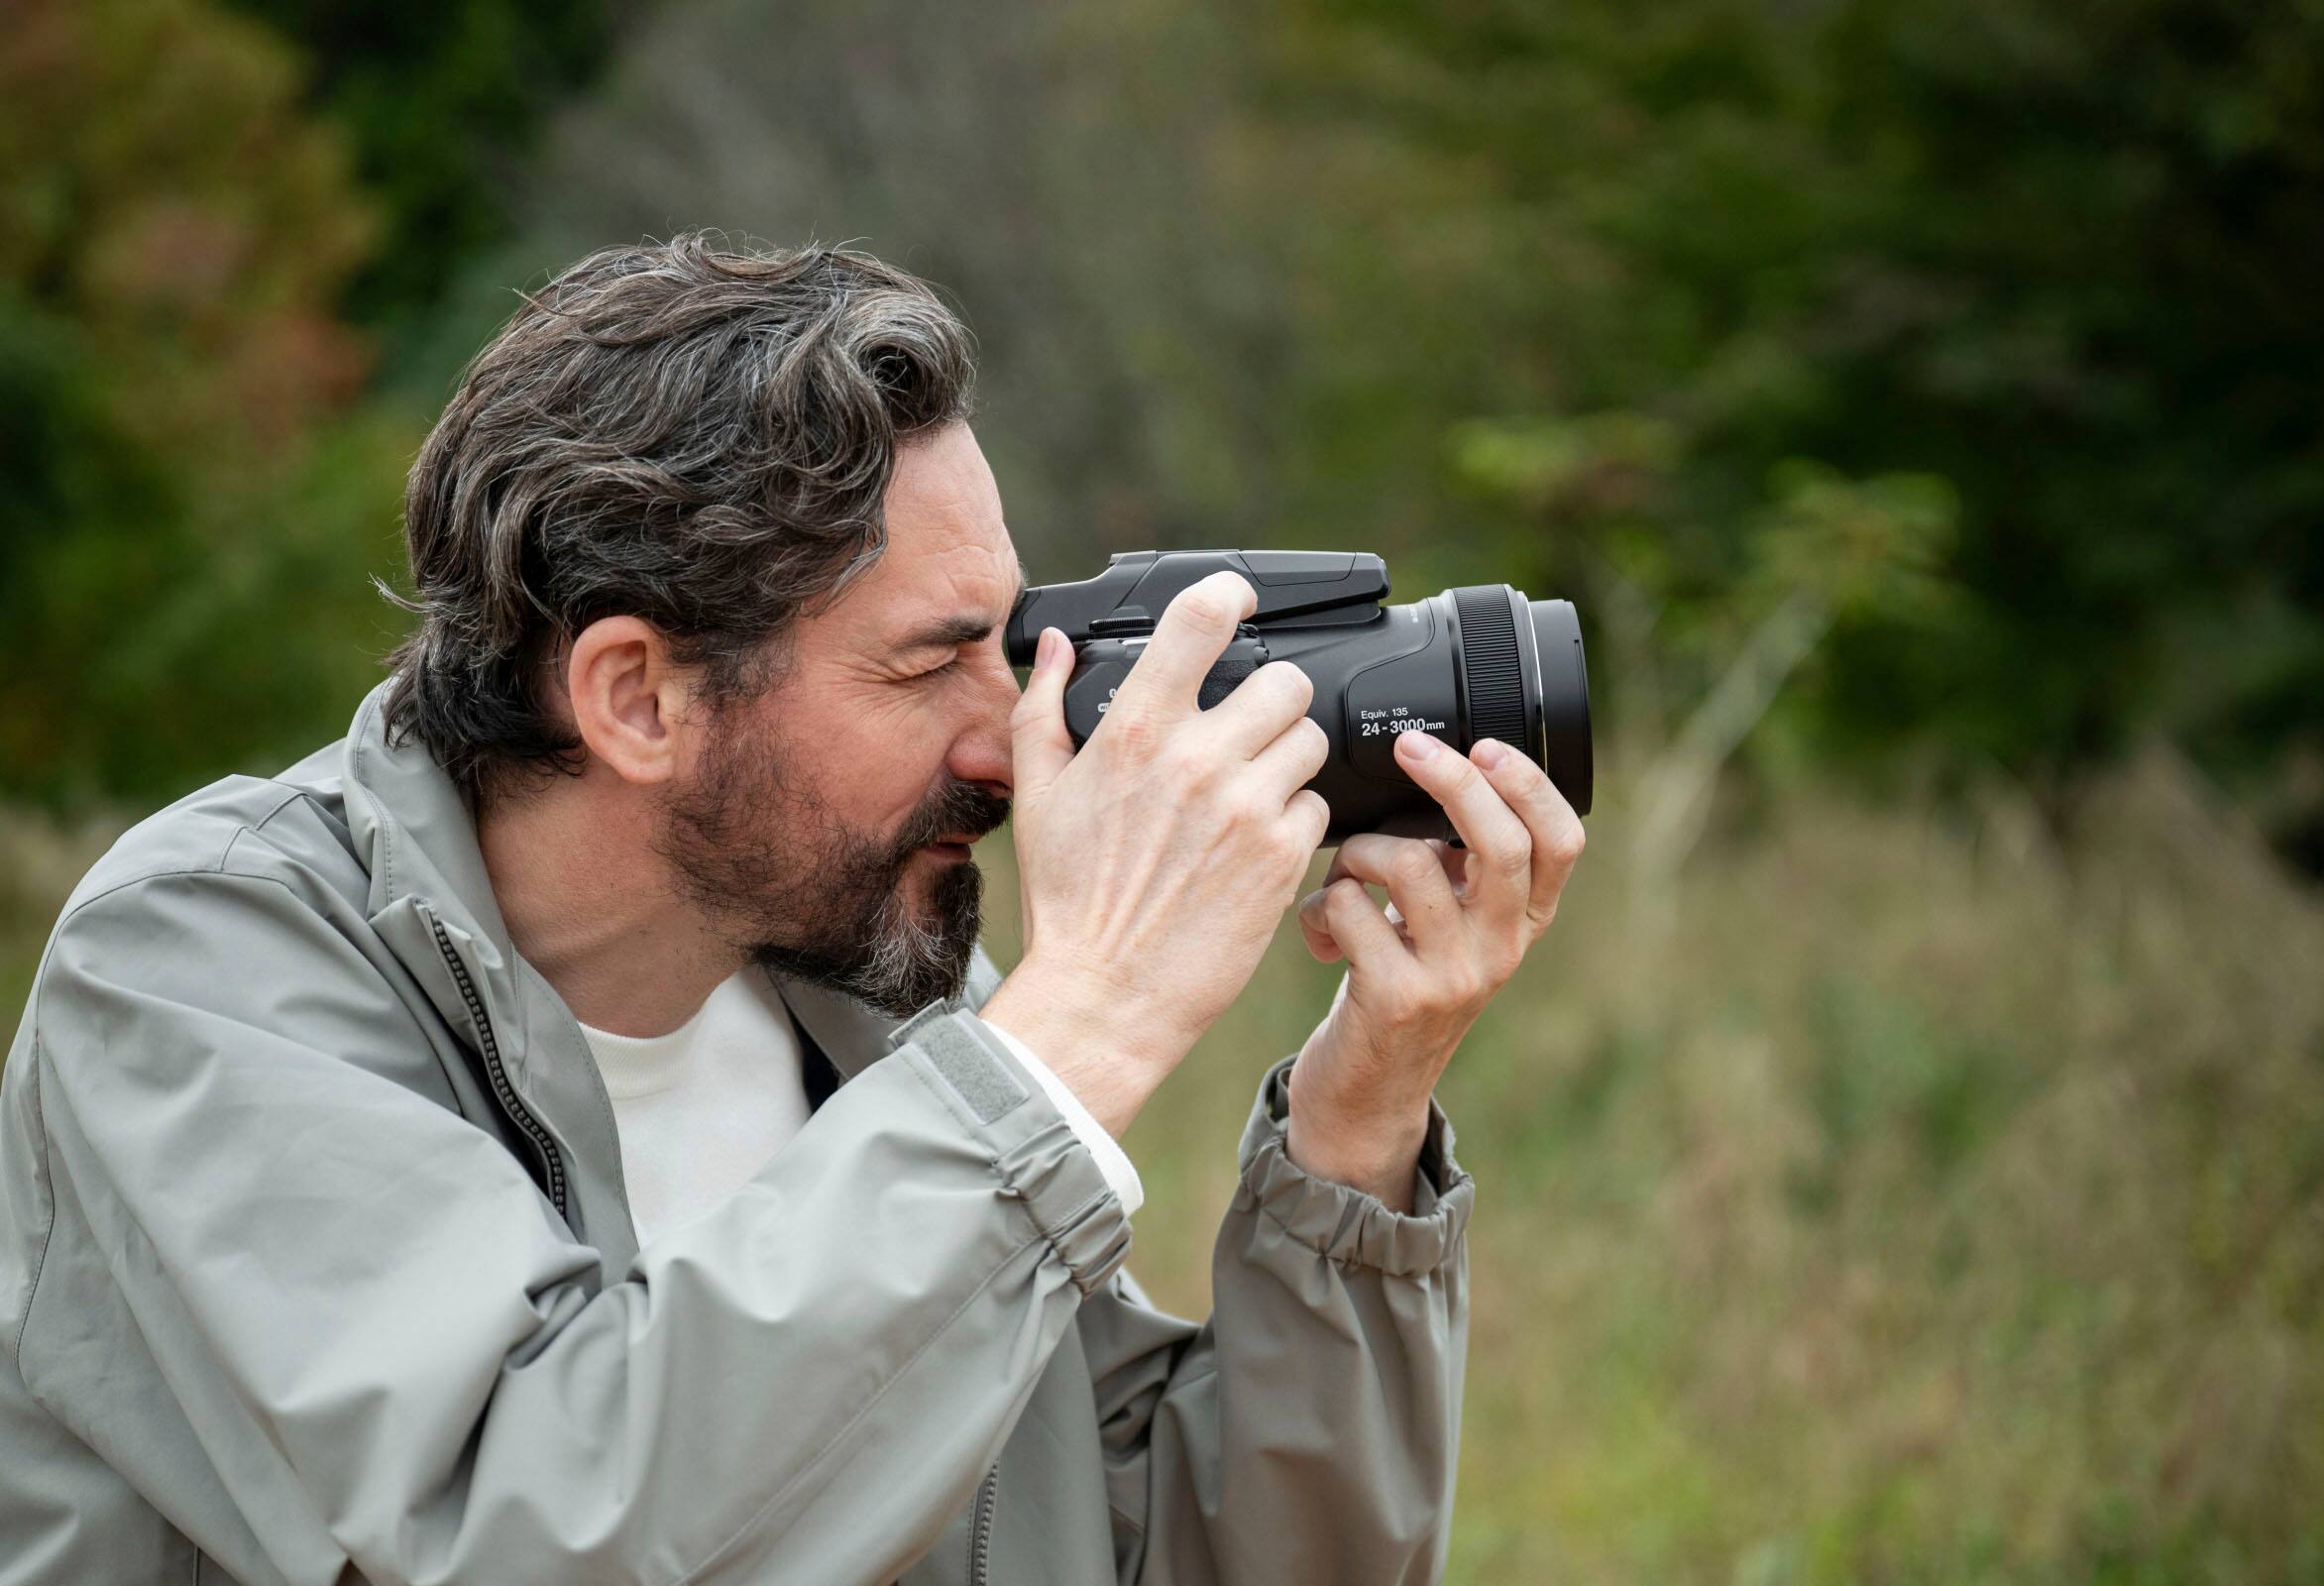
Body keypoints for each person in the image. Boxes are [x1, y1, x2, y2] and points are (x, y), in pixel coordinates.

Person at [0, 233, 1585, 1584]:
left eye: (1010, 641)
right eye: (926, 662)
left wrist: (1358, 1122)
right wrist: (1084, 1018)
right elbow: (534, 1527)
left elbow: (1161, 1547)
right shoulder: (200, 973)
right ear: (637, 698)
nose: (1009, 739)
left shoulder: (873, 1003)